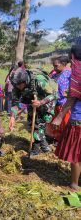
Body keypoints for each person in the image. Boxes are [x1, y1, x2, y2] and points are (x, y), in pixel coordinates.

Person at [9, 67, 57, 156]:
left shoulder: (39, 80)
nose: (18, 87)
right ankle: (44, 147)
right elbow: (15, 102)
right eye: (16, 85)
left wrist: (40, 102)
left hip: (46, 102)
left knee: (39, 125)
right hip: (32, 101)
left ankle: (39, 149)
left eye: (20, 85)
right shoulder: (16, 85)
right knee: (32, 123)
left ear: (25, 81)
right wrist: (12, 117)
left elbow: (54, 95)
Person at [54, 45, 81, 191]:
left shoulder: (78, 75)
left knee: (77, 154)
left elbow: (70, 99)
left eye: (71, 60)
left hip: (78, 121)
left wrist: (59, 117)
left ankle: (74, 184)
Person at [45, 56, 71, 141]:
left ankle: (66, 140)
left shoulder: (69, 73)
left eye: (56, 66)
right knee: (56, 124)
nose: (54, 68)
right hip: (55, 103)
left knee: (65, 123)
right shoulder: (54, 75)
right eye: (53, 66)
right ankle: (57, 139)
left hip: (65, 104)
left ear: (63, 64)